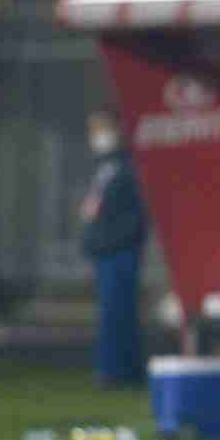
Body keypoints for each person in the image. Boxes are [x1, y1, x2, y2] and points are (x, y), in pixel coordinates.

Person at [79, 108, 148, 386]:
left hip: (120, 250)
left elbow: (135, 214)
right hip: (105, 251)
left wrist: (114, 242)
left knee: (119, 312)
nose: (96, 135)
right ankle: (113, 367)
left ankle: (121, 370)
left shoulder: (129, 167)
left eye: (101, 128)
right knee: (110, 312)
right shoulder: (103, 168)